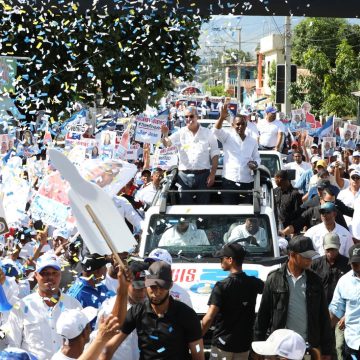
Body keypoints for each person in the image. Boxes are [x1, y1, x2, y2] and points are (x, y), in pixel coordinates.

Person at [101, 261, 205, 360]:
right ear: (146, 284)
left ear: (170, 286)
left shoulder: (187, 315)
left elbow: (197, 351)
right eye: (153, 286)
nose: (157, 292)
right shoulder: (136, 312)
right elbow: (109, 348)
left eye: (162, 286)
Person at [254, 235, 333, 359]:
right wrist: (258, 346)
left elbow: (323, 317)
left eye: (311, 256)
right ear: (292, 255)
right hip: (280, 349)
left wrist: (326, 351)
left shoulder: (315, 281)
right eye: (305, 256)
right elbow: (263, 316)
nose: (310, 260)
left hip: (308, 349)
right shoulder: (274, 279)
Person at [6, 253, 82, 359]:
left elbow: (83, 344)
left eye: (55, 273)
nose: (50, 277)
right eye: (45, 273)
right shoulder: (21, 307)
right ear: (36, 275)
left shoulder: (74, 305)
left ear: (60, 275)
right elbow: (13, 348)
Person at [201, 242, 264, 360]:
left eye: (221, 258)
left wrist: (196, 337)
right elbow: (269, 287)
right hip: (243, 346)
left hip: (221, 346)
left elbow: (209, 317)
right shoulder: (254, 283)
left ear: (230, 260)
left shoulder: (221, 286)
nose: (220, 261)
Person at [161, 106, 220, 204]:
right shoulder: (180, 132)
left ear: (197, 116)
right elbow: (167, 143)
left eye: (191, 116)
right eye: (186, 117)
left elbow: (215, 154)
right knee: (185, 208)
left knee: (203, 207)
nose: (188, 119)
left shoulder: (208, 133)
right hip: (183, 176)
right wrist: (165, 134)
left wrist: (213, 174)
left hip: (203, 176)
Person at [311, 233, 350, 360]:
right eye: (328, 249)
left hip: (341, 315)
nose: (331, 253)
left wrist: (346, 315)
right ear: (323, 248)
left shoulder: (348, 264)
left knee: (339, 348)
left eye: (333, 249)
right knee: (320, 348)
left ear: (339, 247)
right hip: (320, 313)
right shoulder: (315, 264)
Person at [213, 104, 260, 205]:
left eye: (243, 124)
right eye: (237, 124)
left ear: (246, 125)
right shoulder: (227, 137)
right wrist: (221, 118)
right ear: (233, 125)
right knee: (229, 211)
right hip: (229, 181)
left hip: (247, 181)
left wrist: (255, 164)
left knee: (246, 212)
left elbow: (257, 157)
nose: (240, 126)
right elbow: (216, 130)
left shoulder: (252, 141)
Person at [329, 244, 360, 360]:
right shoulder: (344, 281)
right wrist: (322, 336)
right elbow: (335, 311)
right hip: (353, 343)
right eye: (355, 264)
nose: (358, 267)